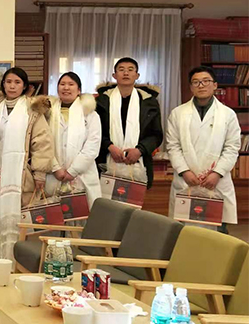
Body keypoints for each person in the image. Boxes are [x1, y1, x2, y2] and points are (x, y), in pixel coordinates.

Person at [0, 67, 52, 262]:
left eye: (17, 82)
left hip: (20, 174)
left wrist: (39, 173)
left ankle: (15, 263)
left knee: (18, 220)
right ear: (3, 84)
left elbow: (42, 142)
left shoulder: (32, 109)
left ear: (24, 86)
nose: (12, 86)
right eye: (8, 82)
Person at [166, 66, 241, 233]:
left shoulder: (228, 114)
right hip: (186, 180)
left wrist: (217, 173)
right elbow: (173, 146)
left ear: (215, 85)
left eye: (206, 81)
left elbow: (232, 147)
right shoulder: (178, 113)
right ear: (191, 87)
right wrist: (185, 171)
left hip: (216, 181)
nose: (201, 85)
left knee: (217, 233)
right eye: (196, 82)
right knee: (184, 232)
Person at [95, 57, 163, 188]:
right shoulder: (102, 101)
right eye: (121, 70)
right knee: (105, 200)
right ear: (114, 75)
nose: (126, 73)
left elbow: (156, 134)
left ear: (137, 75)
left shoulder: (149, 102)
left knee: (134, 200)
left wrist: (140, 150)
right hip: (105, 161)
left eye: (130, 70)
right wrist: (109, 146)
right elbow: (94, 132)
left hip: (139, 161)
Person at [44, 72, 102, 208]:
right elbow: (43, 144)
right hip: (53, 174)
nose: (66, 88)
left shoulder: (90, 114)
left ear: (79, 90)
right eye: (62, 84)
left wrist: (73, 171)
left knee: (82, 214)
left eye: (71, 84)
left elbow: (92, 146)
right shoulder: (48, 113)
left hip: (82, 174)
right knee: (54, 215)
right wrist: (56, 168)